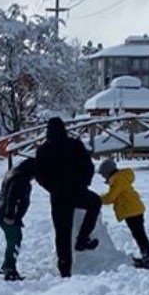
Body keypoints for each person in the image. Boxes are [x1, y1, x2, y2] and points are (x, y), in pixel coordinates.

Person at [32, 117, 102, 278]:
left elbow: (40, 175)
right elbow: (88, 166)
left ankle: (65, 269)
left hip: (58, 196)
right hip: (76, 191)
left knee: (62, 233)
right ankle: (83, 239)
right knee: (95, 203)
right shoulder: (75, 145)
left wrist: (52, 188)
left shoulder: (43, 150)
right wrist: (83, 184)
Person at [98, 159, 149, 270]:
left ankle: (148, 261)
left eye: (103, 174)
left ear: (107, 171)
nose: (103, 177)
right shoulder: (120, 178)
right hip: (133, 209)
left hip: (132, 211)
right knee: (139, 235)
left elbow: (111, 197)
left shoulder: (118, 179)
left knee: (140, 236)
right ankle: (146, 258)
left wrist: (96, 199)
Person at [0, 157, 36, 281]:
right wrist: (11, 215)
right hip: (8, 215)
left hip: (1, 212)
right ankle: (10, 269)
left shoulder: (13, 174)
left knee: (13, 239)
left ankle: (7, 265)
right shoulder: (21, 179)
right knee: (15, 239)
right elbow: (12, 197)